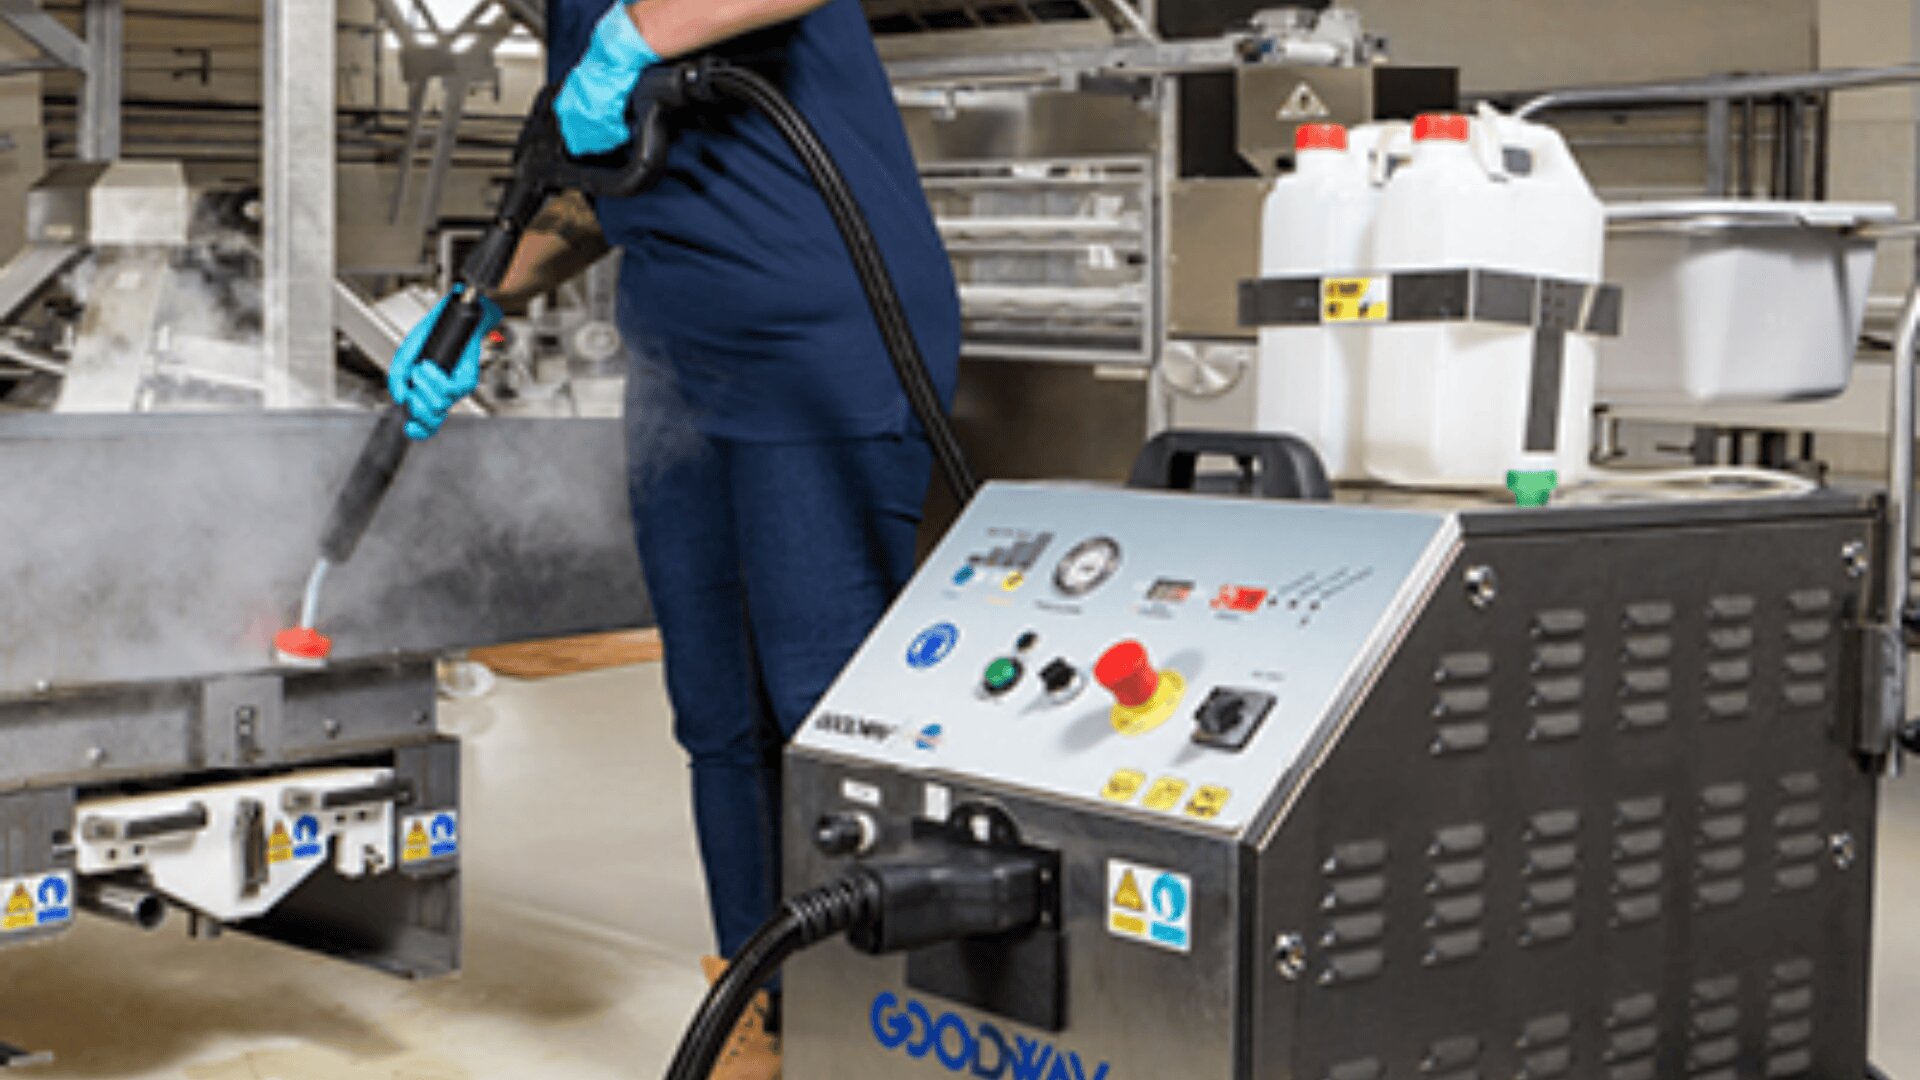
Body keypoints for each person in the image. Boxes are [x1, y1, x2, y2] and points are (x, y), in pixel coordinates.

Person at [387, 2, 961, 1076]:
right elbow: (605, 194)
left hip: (823, 344)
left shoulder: (630, 22)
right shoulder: (570, 13)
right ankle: (758, 998)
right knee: (717, 716)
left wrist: (635, 40)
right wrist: (470, 304)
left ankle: (869, 1022)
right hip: (683, 371)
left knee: (826, 713)